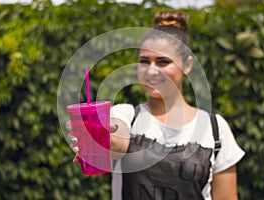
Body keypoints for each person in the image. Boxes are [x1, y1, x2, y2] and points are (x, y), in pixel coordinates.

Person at [69, 11, 245, 200]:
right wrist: (98, 137)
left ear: (187, 64)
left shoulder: (216, 129)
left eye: (163, 62)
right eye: (145, 61)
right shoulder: (127, 114)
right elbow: (117, 140)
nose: (152, 70)